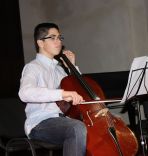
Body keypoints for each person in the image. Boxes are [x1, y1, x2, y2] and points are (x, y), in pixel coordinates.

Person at [18, 22, 106, 156]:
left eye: (59, 37)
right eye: (52, 37)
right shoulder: (33, 67)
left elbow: (80, 91)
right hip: (40, 124)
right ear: (40, 43)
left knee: (94, 127)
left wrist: (72, 67)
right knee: (76, 128)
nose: (58, 41)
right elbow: (25, 93)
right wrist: (62, 94)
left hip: (64, 121)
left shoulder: (60, 70)